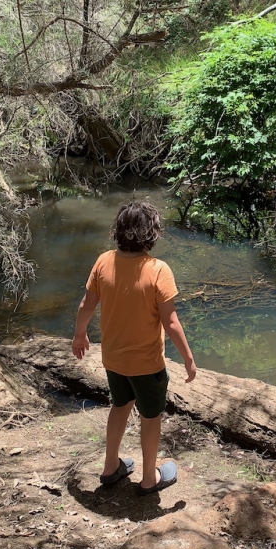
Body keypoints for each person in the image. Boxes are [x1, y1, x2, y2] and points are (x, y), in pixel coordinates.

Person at [71, 201, 196, 495]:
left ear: (119, 231)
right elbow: (172, 323)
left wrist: (79, 335)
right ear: (151, 234)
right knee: (150, 418)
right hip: (147, 364)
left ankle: (110, 466)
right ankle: (150, 478)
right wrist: (189, 358)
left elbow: (86, 304)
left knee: (120, 407)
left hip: (113, 359)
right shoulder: (158, 270)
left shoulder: (104, 262)